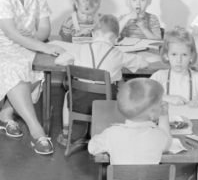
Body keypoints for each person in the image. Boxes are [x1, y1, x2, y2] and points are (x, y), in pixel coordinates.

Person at [0, 0, 65, 155]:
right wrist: (42, 46)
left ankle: (5, 116)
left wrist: (35, 39)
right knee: (15, 69)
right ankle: (37, 131)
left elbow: (44, 28)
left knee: (36, 70)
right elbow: (11, 33)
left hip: (26, 45)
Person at [55, 15, 149, 145]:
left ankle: (66, 133)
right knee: (121, 90)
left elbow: (58, 60)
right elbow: (144, 64)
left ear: (93, 34)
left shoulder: (80, 49)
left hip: (79, 102)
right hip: (106, 103)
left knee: (67, 95)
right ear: (116, 38)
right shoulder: (118, 54)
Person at [150, 29, 198, 107]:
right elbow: (144, 95)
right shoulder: (160, 76)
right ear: (166, 56)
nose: (179, 60)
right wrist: (165, 98)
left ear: (191, 57)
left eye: (184, 55)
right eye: (174, 54)